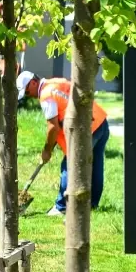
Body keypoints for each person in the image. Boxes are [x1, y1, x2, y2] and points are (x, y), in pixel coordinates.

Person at [17, 70, 110, 217]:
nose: (30, 96)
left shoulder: (46, 95)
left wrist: (47, 150)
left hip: (87, 130)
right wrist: (52, 146)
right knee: (95, 165)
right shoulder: (57, 82)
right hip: (100, 123)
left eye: (28, 92)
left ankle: (61, 207)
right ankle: (92, 205)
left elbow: (53, 127)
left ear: (33, 83)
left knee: (68, 166)